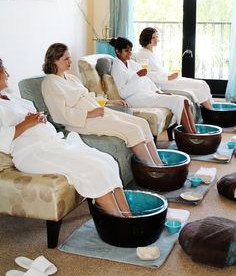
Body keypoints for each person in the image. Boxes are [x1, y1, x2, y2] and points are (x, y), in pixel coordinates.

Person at [0, 58, 131, 217]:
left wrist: (37, 118)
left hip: (53, 143)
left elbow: (26, 119)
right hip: (32, 152)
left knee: (106, 160)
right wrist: (27, 123)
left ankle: (128, 217)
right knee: (94, 169)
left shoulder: (10, 97)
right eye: (2, 70)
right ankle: (121, 225)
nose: (7, 74)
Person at [41, 43, 163, 167]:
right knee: (133, 129)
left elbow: (89, 96)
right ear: (54, 61)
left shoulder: (71, 78)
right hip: (82, 122)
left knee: (142, 123)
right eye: (66, 59)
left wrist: (110, 102)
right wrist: (89, 114)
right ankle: (152, 169)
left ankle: (160, 164)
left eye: (70, 57)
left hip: (98, 112)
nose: (70, 61)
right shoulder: (50, 83)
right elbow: (59, 115)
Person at [110, 37, 197, 134]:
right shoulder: (117, 67)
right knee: (177, 100)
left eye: (130, 50)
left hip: (146, 94)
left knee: (184, 100)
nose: (130, 53)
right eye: (126, 50)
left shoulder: (132, 64)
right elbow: (123, 93)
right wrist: (137, 76)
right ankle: (192, 135)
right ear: (118, 51)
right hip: (134, 98)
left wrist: (159, 92)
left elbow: (146, 79)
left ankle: (194, 133)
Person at [136, 27, 213, 110]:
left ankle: (211, 111)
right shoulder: (142, 54)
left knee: (202, 83)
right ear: (147, 38)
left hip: (167, 79)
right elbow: (146, 74)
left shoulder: (151, 53)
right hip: (162, 83)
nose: (156, 40)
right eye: (153, 37)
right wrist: (167, 77)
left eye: (157, 37)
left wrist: (170, 74)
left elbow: (158, 70)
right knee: (200, 85)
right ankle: (211, 113)